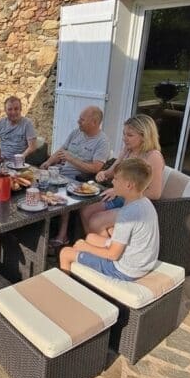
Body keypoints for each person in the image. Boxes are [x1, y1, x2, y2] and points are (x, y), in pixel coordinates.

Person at [59, 158, 159, 280]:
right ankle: (83, 269)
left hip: (124, 269)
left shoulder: (126, 215)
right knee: (90, 237)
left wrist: (86, 247)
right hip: (142, 262)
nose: (112, 182)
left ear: (128, 185)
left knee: (65, 252)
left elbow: (113, 255)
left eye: (116, 179)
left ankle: (64, 288)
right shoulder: (145, 203)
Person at [80, 114, 165, 237]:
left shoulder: (153, 157)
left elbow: (155, 193)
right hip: (120, 199)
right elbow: (112, 172)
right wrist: (103, 173)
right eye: (124, 134)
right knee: (85, 210)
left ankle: (106, 253)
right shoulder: (128, 150)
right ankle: (92, 246)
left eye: (130, 135)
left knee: (95, 221)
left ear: (144, 136)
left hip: (136, 204)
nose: (125, 138)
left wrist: (119, 191)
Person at [43, 106, 110, 247]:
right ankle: (40, 230)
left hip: (80, 180)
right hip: (61, 174)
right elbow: (61, 150)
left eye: (82, 119)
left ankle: (63, 236)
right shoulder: (76, 133)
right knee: (38, 185)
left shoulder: (102, 142)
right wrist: (48, 163)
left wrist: (71, 159)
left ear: (94, 122)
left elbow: (96, 168)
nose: (78, 122)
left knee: (64, 194)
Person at [0, 96, 38, 161]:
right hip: (2, 161)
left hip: (19, 163)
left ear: (20, 109)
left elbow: (32, 147)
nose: (13, 112)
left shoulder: (27, 124)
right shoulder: (0, 123)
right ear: (5, 110)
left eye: (16, 109)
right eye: (10, 109)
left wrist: (21, 157)